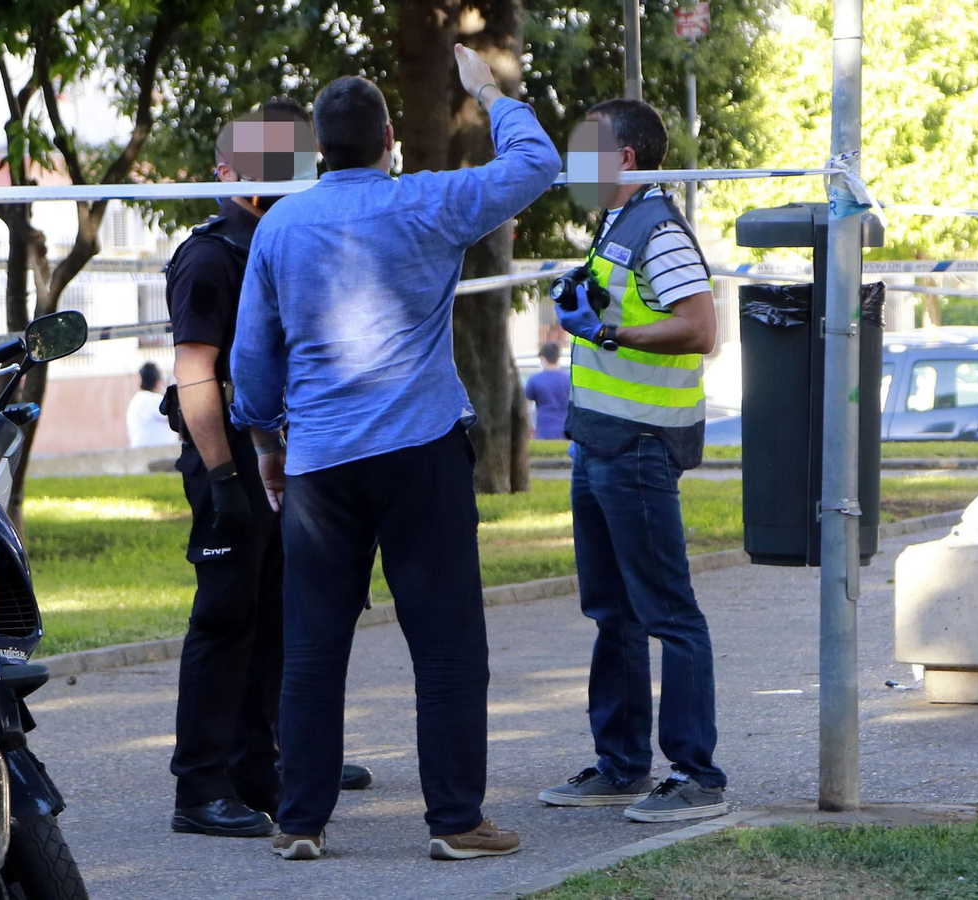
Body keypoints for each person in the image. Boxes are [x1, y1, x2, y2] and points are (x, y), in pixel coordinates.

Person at [230, 48, 560, 861]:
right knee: (447, 643)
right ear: (387, 139)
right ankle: (455, 821)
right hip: (419, 452)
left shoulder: (278, 226)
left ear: (317, 150)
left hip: (318, 464)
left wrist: (269, 441)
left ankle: (300, 820)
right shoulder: (430, 201)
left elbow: (251, 362)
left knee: (310, 647)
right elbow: (538, 162)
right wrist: (486, 91)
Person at [164, 98, 371, 840]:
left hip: (287, 455)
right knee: (225, 617)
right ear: (226, 172)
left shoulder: (283, 241)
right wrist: (224, 480)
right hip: (231, 460)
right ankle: (200, 786)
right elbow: (195, 374)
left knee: (276, 618)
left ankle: (261, 767)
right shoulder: (210, 254)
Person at [535, 99, 726, 823]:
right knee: (611, 611)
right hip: (600, 441)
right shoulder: (615, 223)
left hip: (639, 447)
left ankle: (698, 776)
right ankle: (621, 766)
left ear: (627, 159)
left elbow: (700, 328)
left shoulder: (660, 227)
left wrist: (609, 331)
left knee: (667, 612)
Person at [126, 361, 178, 448]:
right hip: (158, 455)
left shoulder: (138, 399)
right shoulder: (152, 400)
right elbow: (178, 413)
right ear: (158, 382)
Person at [525, 341, 570, 440]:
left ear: (543, 358)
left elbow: (525, 407)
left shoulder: (535, 380)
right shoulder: (569, 379)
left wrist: (528, 428)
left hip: (544, 430)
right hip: (566, 431)